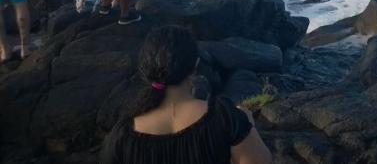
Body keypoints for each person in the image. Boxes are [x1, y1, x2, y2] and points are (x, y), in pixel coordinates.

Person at [100, 25, 272, 164]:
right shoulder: (226, 118)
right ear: (195, 65)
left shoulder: (121, 136)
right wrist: (248, 124)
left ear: (145, 69)